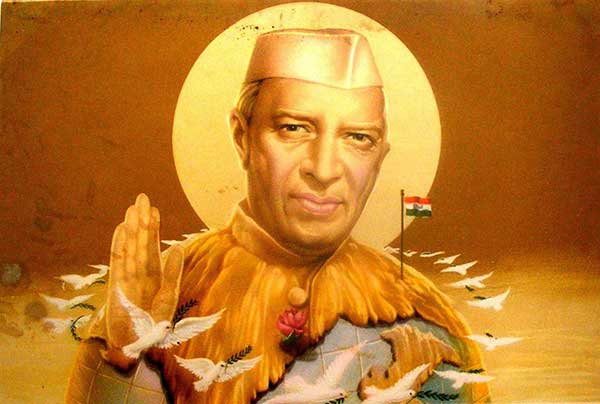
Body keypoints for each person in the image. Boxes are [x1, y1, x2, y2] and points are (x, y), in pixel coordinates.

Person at [67, 29, 489, 403]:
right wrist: (125, 360)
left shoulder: (424, 314)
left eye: (358, 137)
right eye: (294, 128)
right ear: (242, 137)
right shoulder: (157, 295)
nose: (324, 169)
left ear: (379, 159)